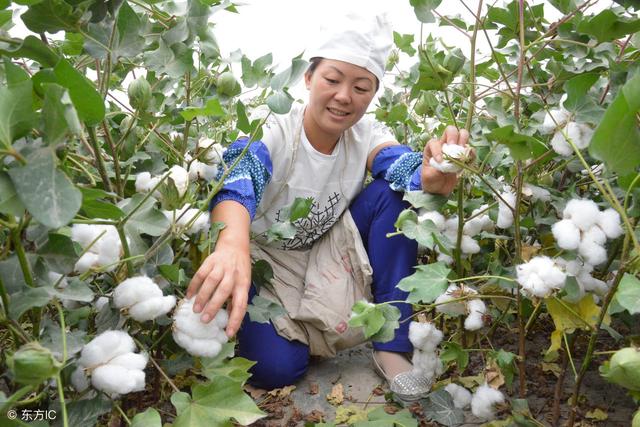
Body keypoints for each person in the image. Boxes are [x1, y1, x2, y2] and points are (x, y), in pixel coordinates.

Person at [186, 13, 470, 400]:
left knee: (395, 193)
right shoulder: (276, 129)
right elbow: (239, 177)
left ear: (372, 94)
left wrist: (430, 176)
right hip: (264, 262)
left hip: (327, 251)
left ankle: (391, 343)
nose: (344, 97)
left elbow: (400, 165)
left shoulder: (366, 135)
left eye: (361, 87)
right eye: (332, 80)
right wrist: (231, 242)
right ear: (308, 79)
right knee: (276, 369)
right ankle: (304, 330)